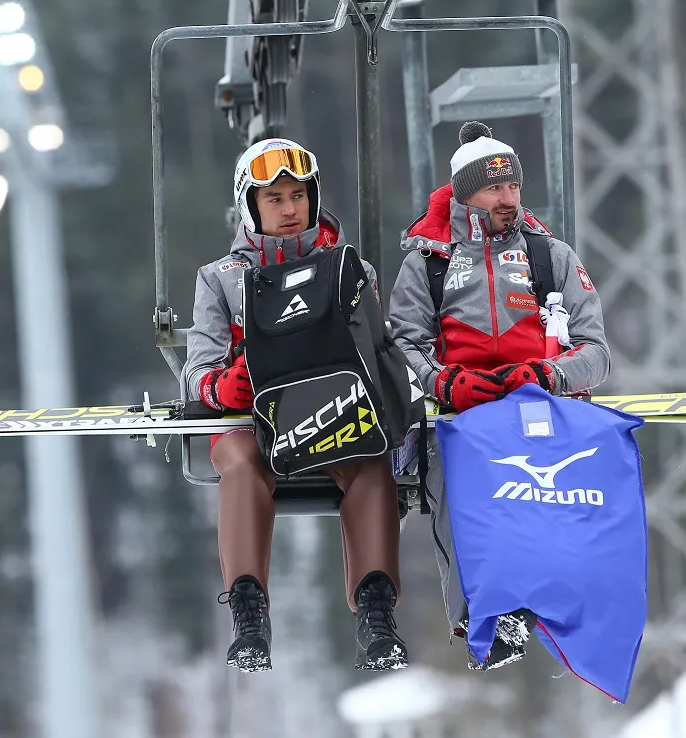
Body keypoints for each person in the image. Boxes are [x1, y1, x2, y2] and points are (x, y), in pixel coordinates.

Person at [388, 121, 612, 670]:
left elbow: (598, 354)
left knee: (552, 490)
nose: (507, 198)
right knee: (455, 490)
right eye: (493, 189)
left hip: (536, 406)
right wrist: (443, 381)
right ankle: (482, 618)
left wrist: (546, 375)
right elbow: (398, 348)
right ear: (465, 195)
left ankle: (552, 603)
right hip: (457, 413)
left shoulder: (549, 255)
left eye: (513, 186)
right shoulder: (428, 262)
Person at [183, 138, 407, 673]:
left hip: (332, 416)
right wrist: (221, 387)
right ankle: (248, 612)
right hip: (254, 425)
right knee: (239, 463)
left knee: (372, 460)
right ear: (251, 208)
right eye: (275, 199)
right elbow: (198, 370)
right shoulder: (219, 280)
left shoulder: (351, 271)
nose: (289, 210)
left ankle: (376, 612)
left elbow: (384, 349)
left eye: (298, 197)